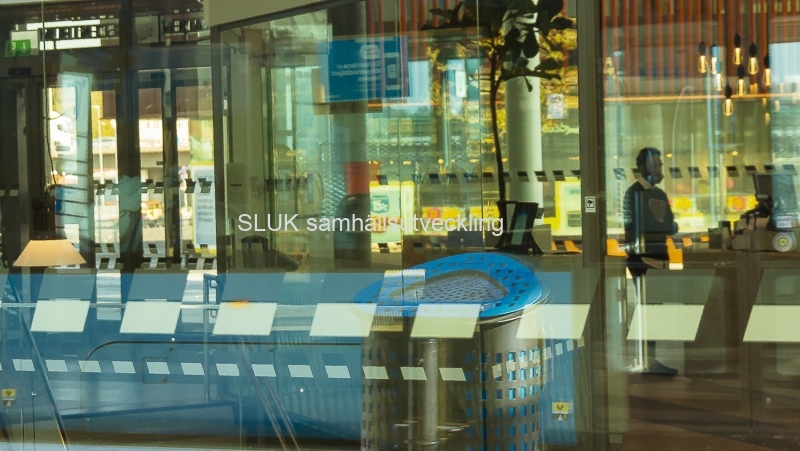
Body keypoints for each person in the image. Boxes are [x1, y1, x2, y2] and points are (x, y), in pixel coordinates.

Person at [623, 147, 679, 377]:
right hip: (646, 259)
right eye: (656, 165)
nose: (659, 169)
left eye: (659, 164)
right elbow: (666, 226)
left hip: (654, 258)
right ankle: (647, 360)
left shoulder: (651, 193)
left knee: (652, 311)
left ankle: (648, 359)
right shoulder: (640, 194)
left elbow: (668, 225)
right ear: (643, 167)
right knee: (648, 311)